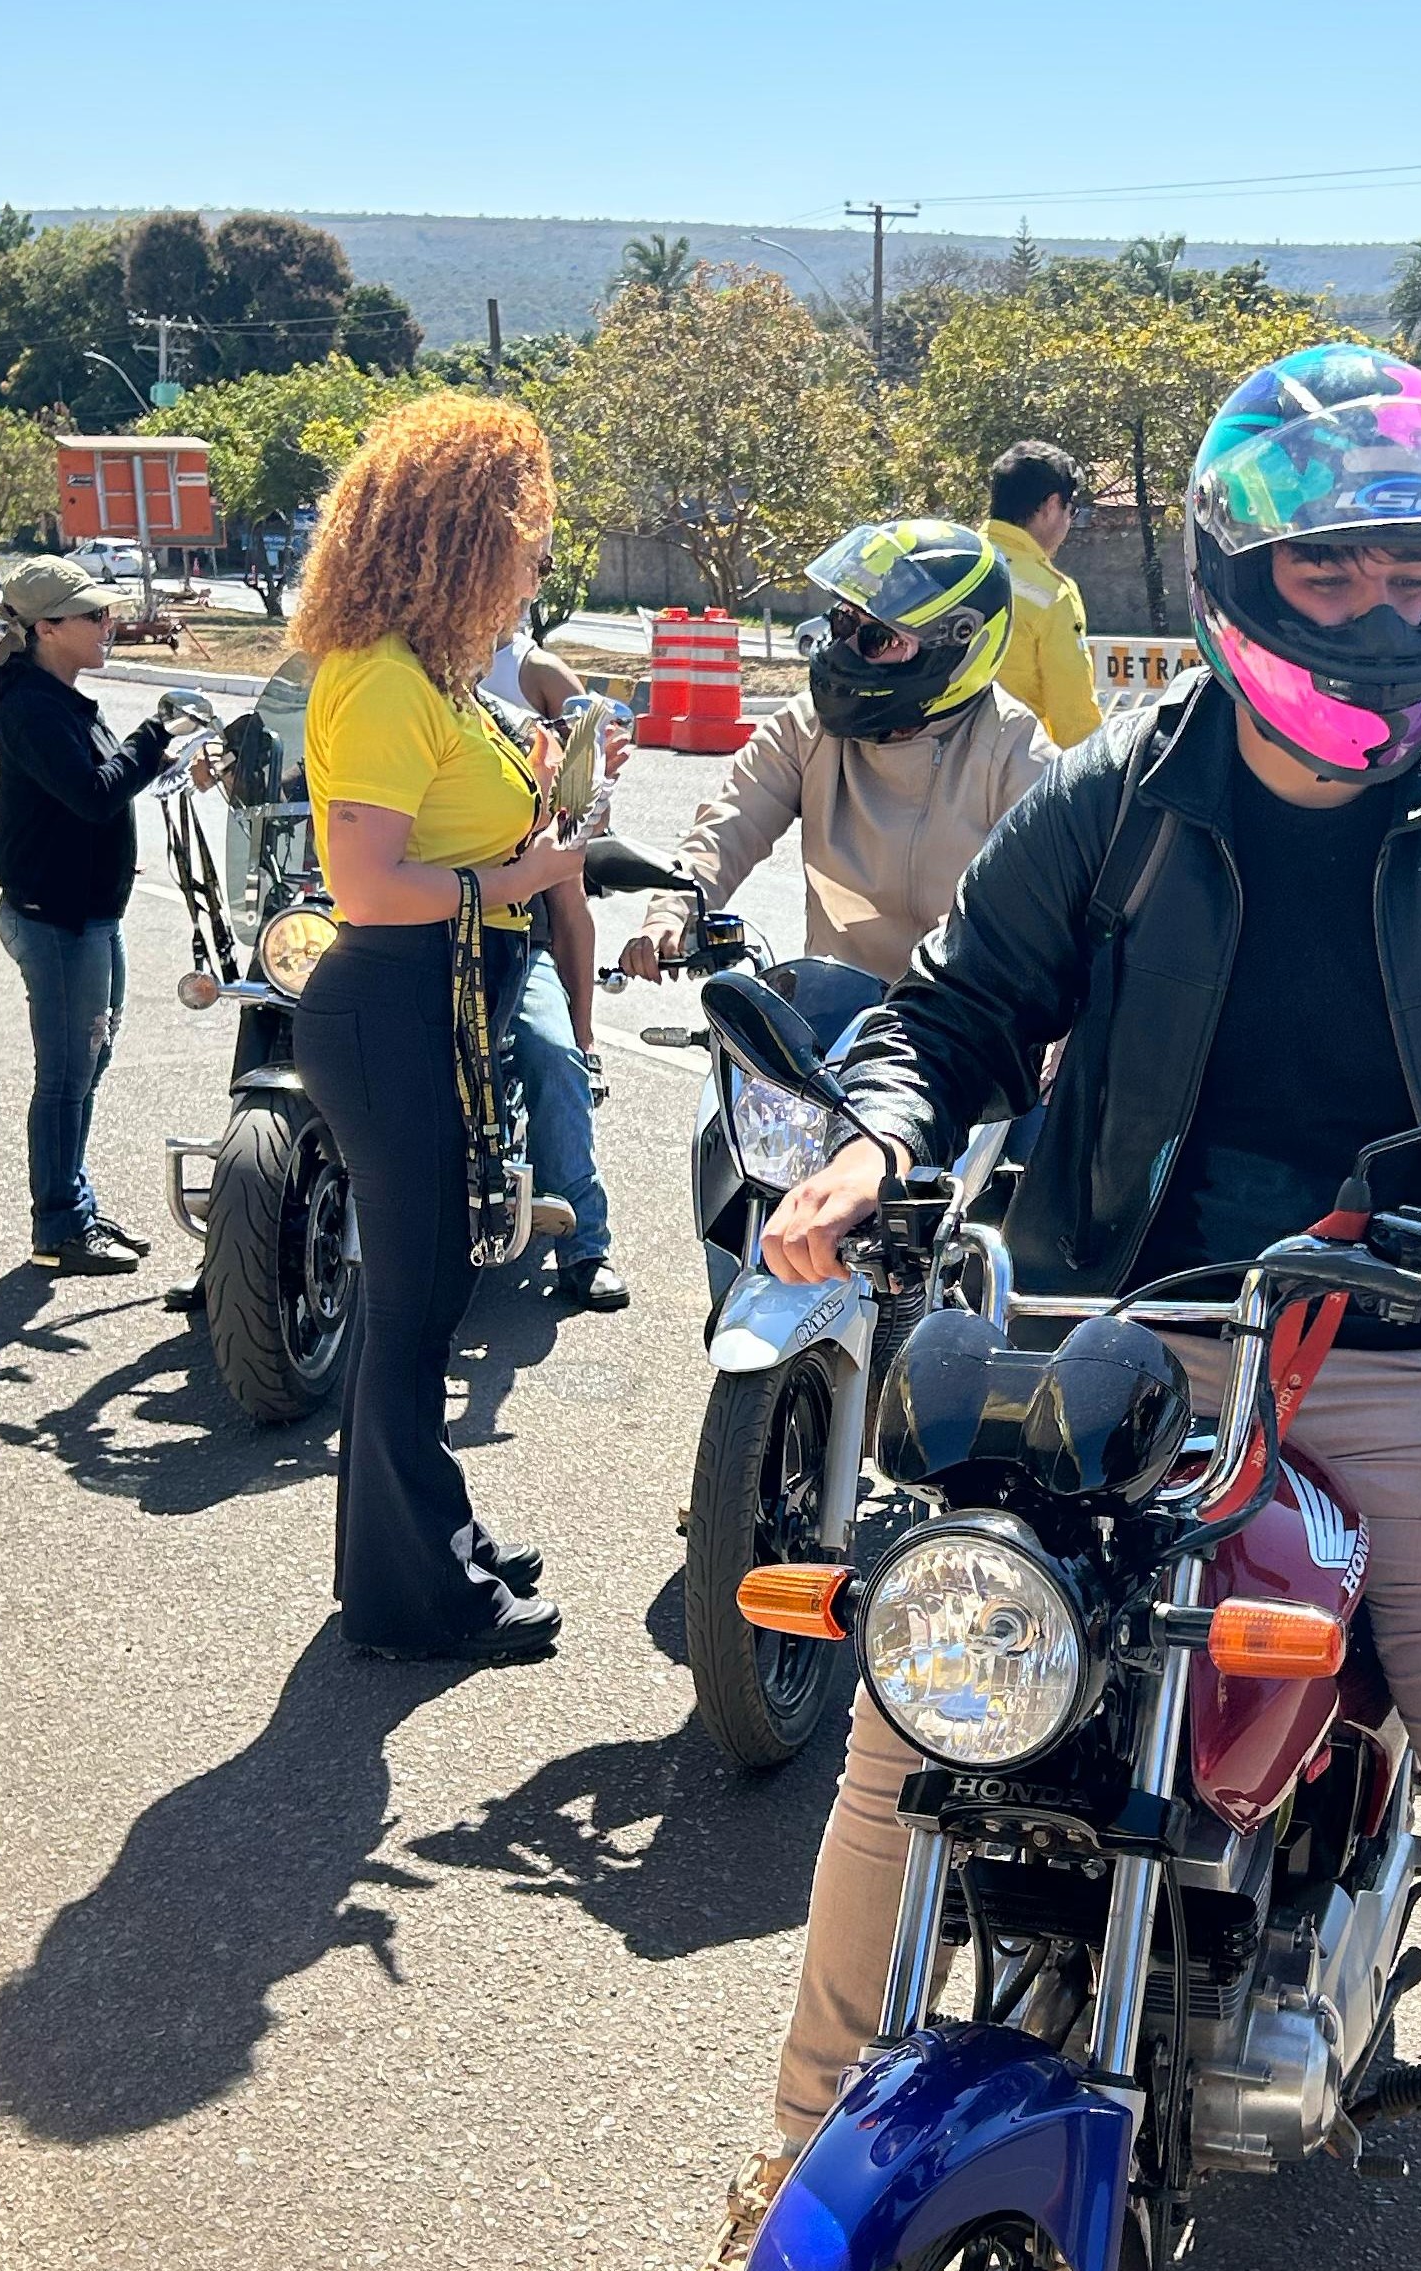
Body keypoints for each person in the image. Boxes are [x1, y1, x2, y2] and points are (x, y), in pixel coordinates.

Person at [699, 347, 1421, 2271]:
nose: (1379, 606)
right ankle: (795, 2150)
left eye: (1414, 569)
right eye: (1329, 572)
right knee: (919, 1724)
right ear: (1238, 574)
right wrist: (876, 1150)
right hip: (1130, 1341)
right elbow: (953, 1011)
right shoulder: (1116, 797)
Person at [291, 392, 586, 1664]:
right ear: (464, 539)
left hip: (437, 1007)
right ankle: (418, 1601)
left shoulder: (433, 679)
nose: (537, 566)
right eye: (525, 542)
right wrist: (514, 883)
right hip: (392, 1004)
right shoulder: (379, 682)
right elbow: (368, 887)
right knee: (414, 1309)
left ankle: (416, 1549)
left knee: (427, 1296)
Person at [618, 517, 1054, 992]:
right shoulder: (808, 727)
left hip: (961, 1030)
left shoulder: (1017, 757)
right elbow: (730, 824)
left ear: (956, 648)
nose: (844, 650)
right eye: (844, 621)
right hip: (831, 1023)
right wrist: (672, 910)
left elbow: (1051, 923)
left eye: (877, 639)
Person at [0, 557, 210, 1275]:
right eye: (93, 616)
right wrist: (156, 731)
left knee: (88, 1063)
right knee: (67, 1075)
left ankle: (72, 1202)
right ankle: (58, 1225)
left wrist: (174, 759)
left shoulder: (57, 695)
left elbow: (102, 790)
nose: (109, 625)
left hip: (84, 915)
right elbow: (93, 793)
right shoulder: (32, 707)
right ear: (47, 628)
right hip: (59, 921)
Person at [480, 600, 630, 1311]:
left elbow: (571, 875)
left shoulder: (533, 673)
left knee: (549, 1049)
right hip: (411, 922)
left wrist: (585, 1031)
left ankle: (585, 1243)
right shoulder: (391, 664)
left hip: (517, 925)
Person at [981, 439, 1103, 748]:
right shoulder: (1052, 595)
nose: (1068, 522)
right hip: (1014, 773)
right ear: (1050, 506)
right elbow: (1074, 718)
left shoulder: (951, 562)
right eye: (1070, 510)